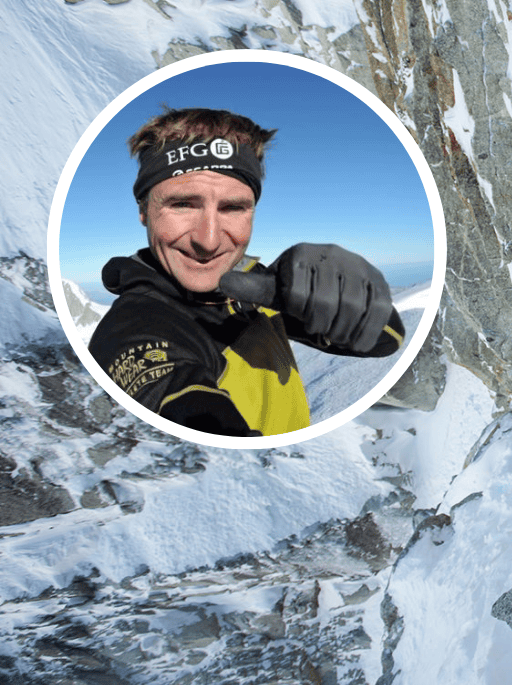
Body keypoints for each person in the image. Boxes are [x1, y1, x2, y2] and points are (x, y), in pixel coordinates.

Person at [89, 107, 404, 437]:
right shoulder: (134, 328)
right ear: (144, 210)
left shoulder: (254, 287)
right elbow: (190, 420)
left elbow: (381, 339)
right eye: (182, 204)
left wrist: (356, 297)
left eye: (233, 208)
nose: (208, 241)